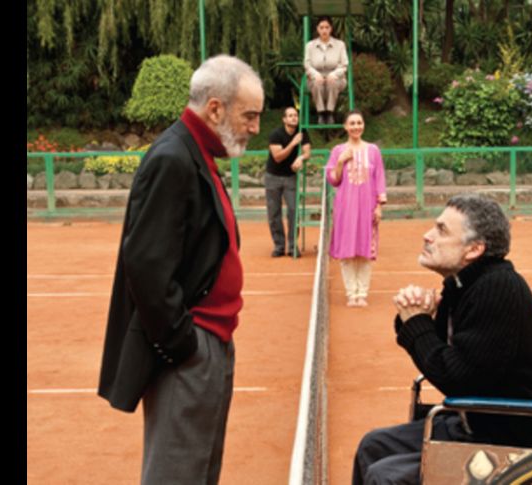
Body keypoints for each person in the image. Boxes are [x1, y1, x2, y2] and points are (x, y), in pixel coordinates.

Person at [97, 54, 264, 485]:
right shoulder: (173, 157)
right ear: (214, 108)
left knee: (200, 469)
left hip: (210, 340)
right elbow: (147, 264)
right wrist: (182, 343)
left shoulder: (198, 151)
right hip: (190, 347)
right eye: (249, 115)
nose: (255, 127)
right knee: (177, 474)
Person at [352, 194, 532, 484]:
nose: (427, 236)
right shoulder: (463, 284)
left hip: (513, 441)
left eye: (442, 230)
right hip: (478, 422)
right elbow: (439, 352)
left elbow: (456, 377)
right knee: (373, 446)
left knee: (386, 477)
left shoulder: (497, 288)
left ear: (474, 249)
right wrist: (416, 317)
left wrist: (416, 323)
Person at [325, 110, 387, 307]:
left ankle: (362, 293)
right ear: (345, 126)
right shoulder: (337, 151)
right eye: (352, 123)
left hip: (367, 207)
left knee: (364, 251)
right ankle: (351, 293)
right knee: (348, 251)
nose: (356, 127)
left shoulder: (373, 151)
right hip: (346, 208)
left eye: (359, 123)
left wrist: (379, 206)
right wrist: (342, 161)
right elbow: (333, 180)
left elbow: (379, 178)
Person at [265, 106, 311, 257]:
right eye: (290, 116)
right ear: (284, 119)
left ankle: (292, 246)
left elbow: (307, 152)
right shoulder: (276, 134)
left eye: (295, 115)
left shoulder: (302, 131)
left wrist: (300, 158)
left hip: (291, 177)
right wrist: (292, 143)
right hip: (273, 177)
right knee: (274, 213)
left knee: (293, 211)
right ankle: (279, 246)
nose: (294, 118)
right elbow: (278, 157)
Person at [304, 15, 348, 125]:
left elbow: (344, 65)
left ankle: (329, 112)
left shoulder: (340, 45)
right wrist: (315, 74)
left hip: (336, 77)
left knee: (332, 81)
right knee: (316, 82)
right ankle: (321, 113)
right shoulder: (310, 45)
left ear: (331, 29)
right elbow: (307, 64)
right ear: (317, 29)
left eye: (327, 27)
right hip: (316, 77)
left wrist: (334, 74)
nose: (324, 30)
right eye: (321, 27)